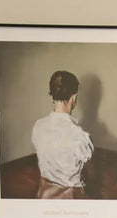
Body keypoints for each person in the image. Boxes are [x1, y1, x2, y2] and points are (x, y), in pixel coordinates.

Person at [31, 70, 93, 199]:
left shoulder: (38, 126)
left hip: (43, 195)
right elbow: (88, 172)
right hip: (70, 198)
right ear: (74, 97)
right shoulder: (79, 136)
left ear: (53, 95)